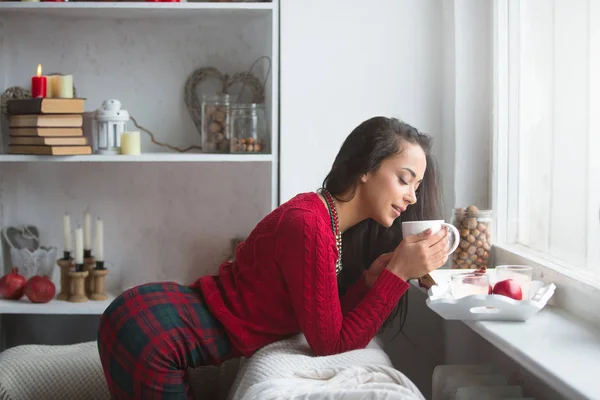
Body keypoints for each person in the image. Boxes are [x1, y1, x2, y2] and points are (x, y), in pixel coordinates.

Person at [97, 116, 449, 399]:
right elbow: (331, 345)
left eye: (417, 186)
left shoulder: (320, 218)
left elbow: (326, 324)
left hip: (154, 320)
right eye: (405, 180)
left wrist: (371, 283)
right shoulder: (310, 225)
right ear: (366, 168)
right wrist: (398, 275)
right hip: (150, 333)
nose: (412, 198)